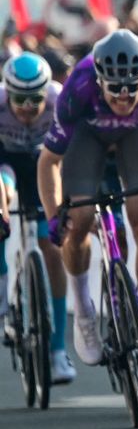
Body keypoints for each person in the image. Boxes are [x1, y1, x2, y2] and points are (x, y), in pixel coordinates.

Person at [37, 29, 138, 377]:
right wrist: (53, 215)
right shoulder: (78, 88)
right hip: (87, 135)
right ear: (99, 81)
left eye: (132, 92)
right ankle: (84, 314)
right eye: (115, 91)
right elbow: (48, 161)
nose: (124, 99)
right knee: (77, 220)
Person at [0, 53, 75, 383]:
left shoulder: (61, 101)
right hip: (6, 164)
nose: (28, 108)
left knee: (53, 249)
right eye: (20, 99)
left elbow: (72, 157)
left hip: (44, 167)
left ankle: (58, 350)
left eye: (35, 100)